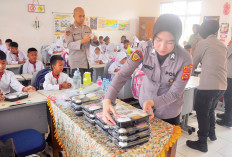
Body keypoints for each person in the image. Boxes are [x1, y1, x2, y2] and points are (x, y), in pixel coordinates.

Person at [102, 14, 192, 126]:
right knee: (143, 138)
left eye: (170, 42)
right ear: (153, 36)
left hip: (169, 110)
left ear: (176, 41)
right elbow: (123, 74)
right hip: (145, 104)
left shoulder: (185, 59)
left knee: (169, 142)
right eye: (158, 40)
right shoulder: (144, 49)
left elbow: (174, 93)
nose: (162, 46)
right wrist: (108, 99)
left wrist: (154, 102)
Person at [186, 20, 227, 152]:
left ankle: (202, 142)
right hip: (222, 86)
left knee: (202, 112)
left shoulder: (203, 43)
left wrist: (186, 77)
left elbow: (193, 63)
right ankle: (212, 134)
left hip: (209, 85)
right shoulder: (223, 44)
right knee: (210, 110)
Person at [65, 7, 99, 79]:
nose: (82, 18)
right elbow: (69, 45)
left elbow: (92, 43)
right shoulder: (69, 29)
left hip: (88, 63)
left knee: (89, 87)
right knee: (78, 87)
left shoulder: (87, 28)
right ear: (74, 16)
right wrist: (82, 41)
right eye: (80, 16)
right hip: (77, 63)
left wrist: (95, 40)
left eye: (83, 16)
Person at [216, 41, 232, 127]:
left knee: (228, 97)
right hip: (230, 74)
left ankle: (228, 120)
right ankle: (227, 115)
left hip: (230, 76)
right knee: (228, 97)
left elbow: (226, 54)